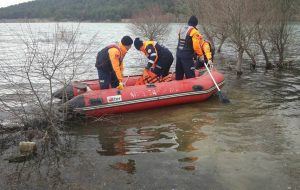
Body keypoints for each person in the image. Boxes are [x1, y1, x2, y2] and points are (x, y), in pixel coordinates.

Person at [175, 15, 204, 80]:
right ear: (196, 24)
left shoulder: (181, 29)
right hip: (187, 55)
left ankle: (179, 88)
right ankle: (193, 89)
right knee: (190, 75)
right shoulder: (194, 31)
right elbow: (196, 46)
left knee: (179, 75)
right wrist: (200, 55)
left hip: (178, 54)